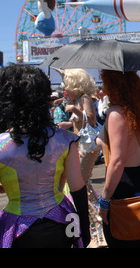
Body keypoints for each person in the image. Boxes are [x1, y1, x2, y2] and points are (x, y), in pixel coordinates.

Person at [0, 64, 90, 248]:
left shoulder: (2, 144)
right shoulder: (65, 140)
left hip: (17, 228)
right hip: (61, 222)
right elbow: (78, 189)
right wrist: (85, 231)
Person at [96, 70, 140, 248]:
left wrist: (104, 199)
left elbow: (117, 161)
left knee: (121, 239)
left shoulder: (116, 113)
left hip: (126, 185)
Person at [61, 68, 104, 246]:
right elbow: (81, 123)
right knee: (82, 184)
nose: (65, 87)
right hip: (81, 146)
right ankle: (96, 228)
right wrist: (68, 123)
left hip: (87, 148)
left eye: (67, 83)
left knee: (79, 185)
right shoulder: (79, 98)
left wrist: (74, 111)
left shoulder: (84, 98)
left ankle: (98, 226)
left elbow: (92, 121)